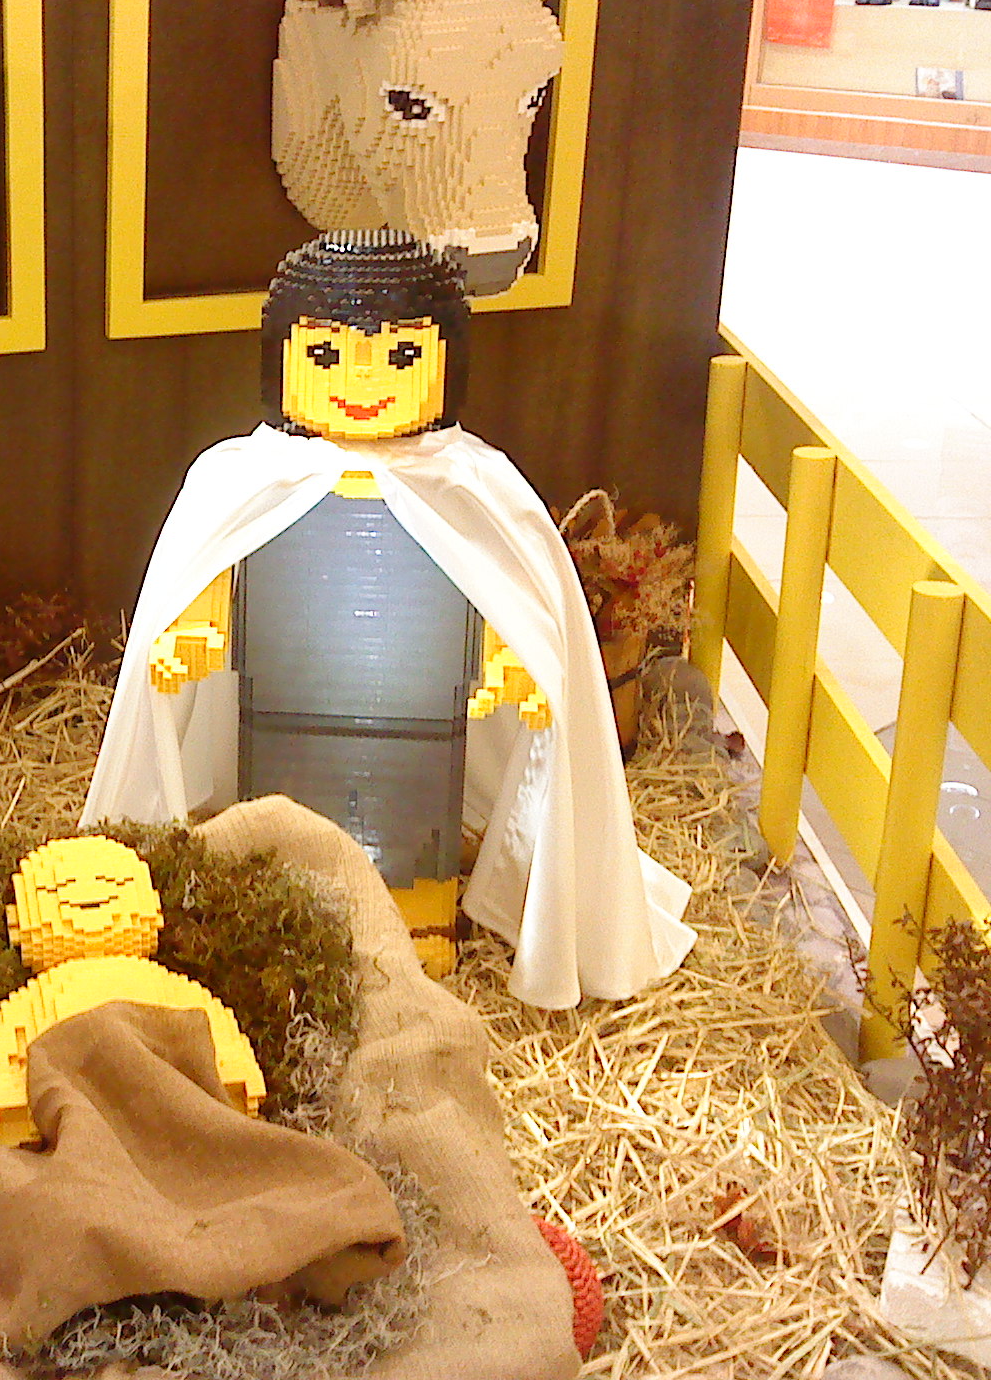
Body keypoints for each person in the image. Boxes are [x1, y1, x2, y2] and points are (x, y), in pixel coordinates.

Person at [84, 231, 694, 1008]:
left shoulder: (473, 487)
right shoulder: (243, 481)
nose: (364, 381)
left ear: (445, 361)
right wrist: (193, 638)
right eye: (329, 355)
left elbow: (508, 600)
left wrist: (512, 667)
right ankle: (284, 905)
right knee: (286, 818)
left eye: (401, 356)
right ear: (284, 359)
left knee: (412, 825)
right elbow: (210, 577)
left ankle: (416, 920)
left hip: (417, 722)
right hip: (287, 709)